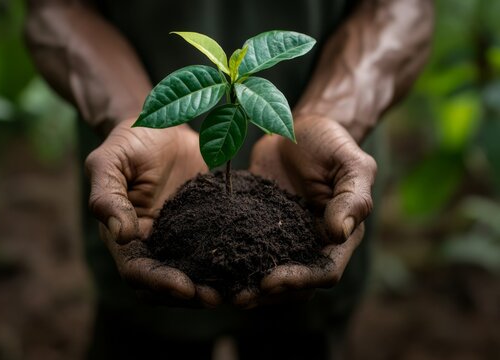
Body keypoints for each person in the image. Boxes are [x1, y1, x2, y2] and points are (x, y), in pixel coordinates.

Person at [25, 0, 434, 358]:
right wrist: (131, 115)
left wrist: (337, 115)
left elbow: (402, 7)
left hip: (313, 193)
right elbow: (55, 7)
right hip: (146, 194)